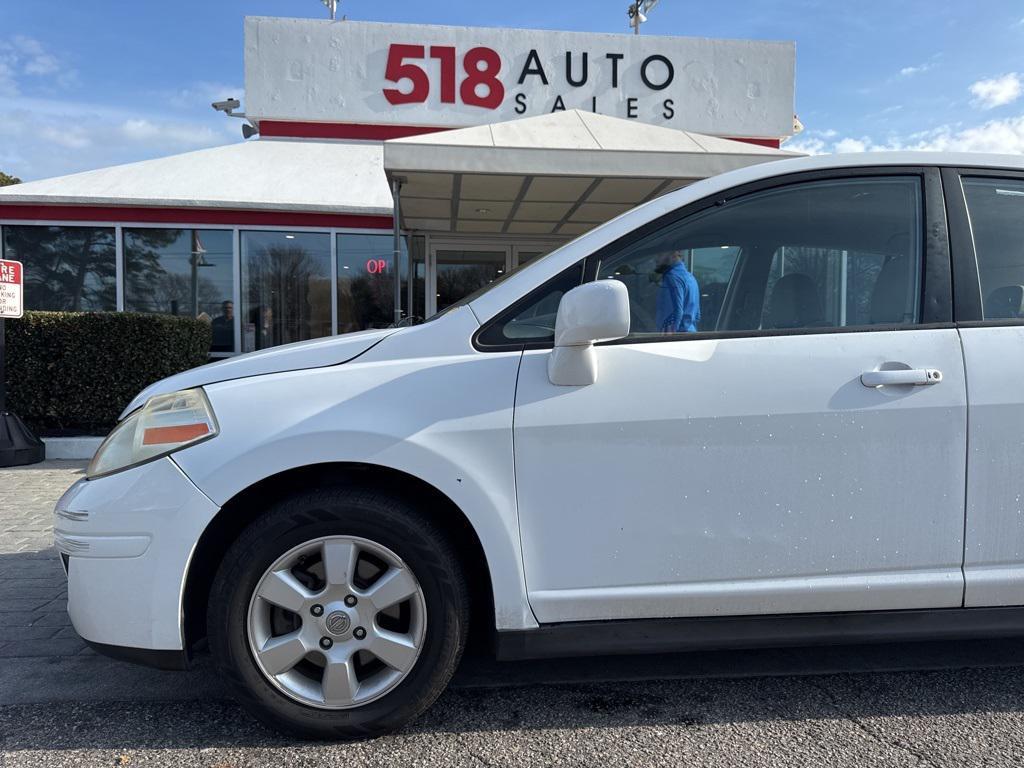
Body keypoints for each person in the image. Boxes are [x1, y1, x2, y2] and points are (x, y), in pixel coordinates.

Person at [654, 250, 701, 333]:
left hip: (675, 337)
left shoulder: (672, 276)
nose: (656, 259)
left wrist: (669, 336)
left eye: (660, 254)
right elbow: (697, 315)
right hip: (691, 334)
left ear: (674, 254)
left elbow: (676, 312)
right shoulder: (691, 277)